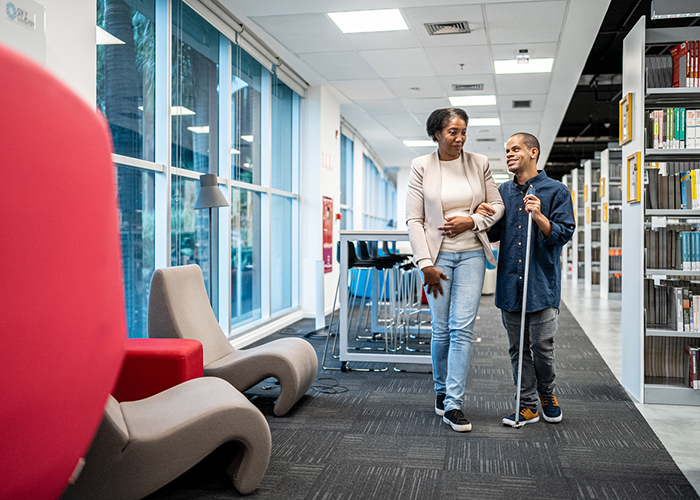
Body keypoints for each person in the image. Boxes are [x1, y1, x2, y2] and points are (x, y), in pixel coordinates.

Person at [406, 107, 504, 432]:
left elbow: (498, 206)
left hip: (473, 254)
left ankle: (453, 404)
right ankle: (440, 389)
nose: (460, 138)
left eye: (463, 132)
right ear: (436, 133)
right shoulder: (421, 166)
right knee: (441, 329)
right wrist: (425, 265)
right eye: (453, 132)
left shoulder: (480, 163)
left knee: (462, 329)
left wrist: (472, 220)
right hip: (439, 259)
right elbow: (414, 220)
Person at [476, 132, 575, 427]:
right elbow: (493, 234)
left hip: (541, 285)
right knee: (518, 348)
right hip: (510, 285)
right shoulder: (502, 192)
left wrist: (540, 217)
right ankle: (527, 404)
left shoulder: (556, 191)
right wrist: (482, 215)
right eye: (506, 150)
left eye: (515, 149)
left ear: (533, 153)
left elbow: (564, 233)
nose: (509, 154)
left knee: (542, 347)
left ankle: (547, 394)